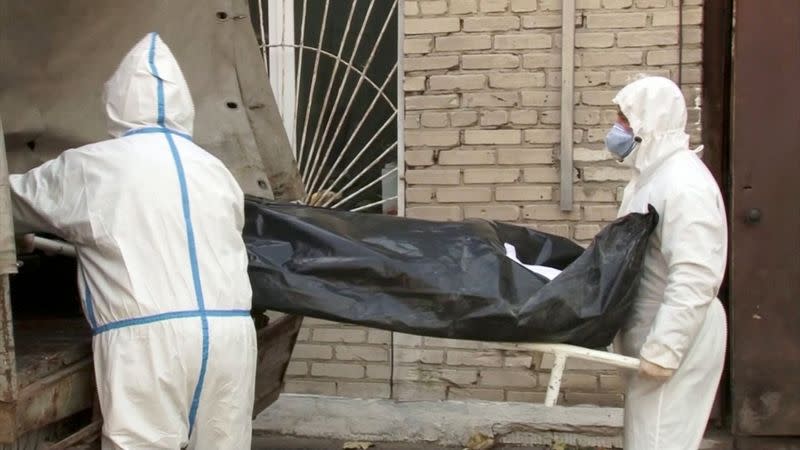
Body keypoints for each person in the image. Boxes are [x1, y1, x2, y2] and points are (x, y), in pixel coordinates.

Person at [9, 33, 256, 450]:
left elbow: (9, 204)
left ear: (116, 100)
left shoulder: (93, 166)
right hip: (231, 333)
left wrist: (23, 234)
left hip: (148, 343)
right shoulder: (216, 171)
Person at [605, 76, 728, 450]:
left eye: (625, 120)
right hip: (655, 334)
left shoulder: (684, 183)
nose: (617, 130)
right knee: (648, 438)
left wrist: (665, 349)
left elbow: (695, 273)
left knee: (659, 441)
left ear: (649, 121)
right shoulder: (650, 179)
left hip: (678, 335)